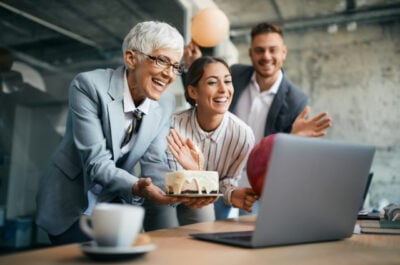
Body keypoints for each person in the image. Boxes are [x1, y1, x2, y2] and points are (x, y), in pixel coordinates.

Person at [35, 21, 212, 245]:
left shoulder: (165, 102)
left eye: (175, 66)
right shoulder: (88, 86)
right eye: (161, 61)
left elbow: (155, 162)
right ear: (131, 58)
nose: (169, 74)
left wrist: (180, 190)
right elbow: (96, 164)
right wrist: (138, 187)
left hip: (114, 203)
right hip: (69, 202)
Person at [183, 22, 332, 217]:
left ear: (284, 53)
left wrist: (293, 139)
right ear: (251, 53)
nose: (266, 56)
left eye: (273, 50)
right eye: (260, 50)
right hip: (219, 176)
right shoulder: (235, 74)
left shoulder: (296, 100)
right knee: (206, 232)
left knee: (248, 239)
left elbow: (287, 160)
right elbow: (201, 95)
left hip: (259, 185)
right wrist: (194, 66)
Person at [166, 56, 258, 224]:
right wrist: (198, 176)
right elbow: (176, 186)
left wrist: (231, 193)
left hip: (215, 202)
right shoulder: (172, 126)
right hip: (172, 201)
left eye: (228, 81)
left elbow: (228, 180)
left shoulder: (243, 135)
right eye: (212, 82)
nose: (223, 89)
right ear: (193, 92)